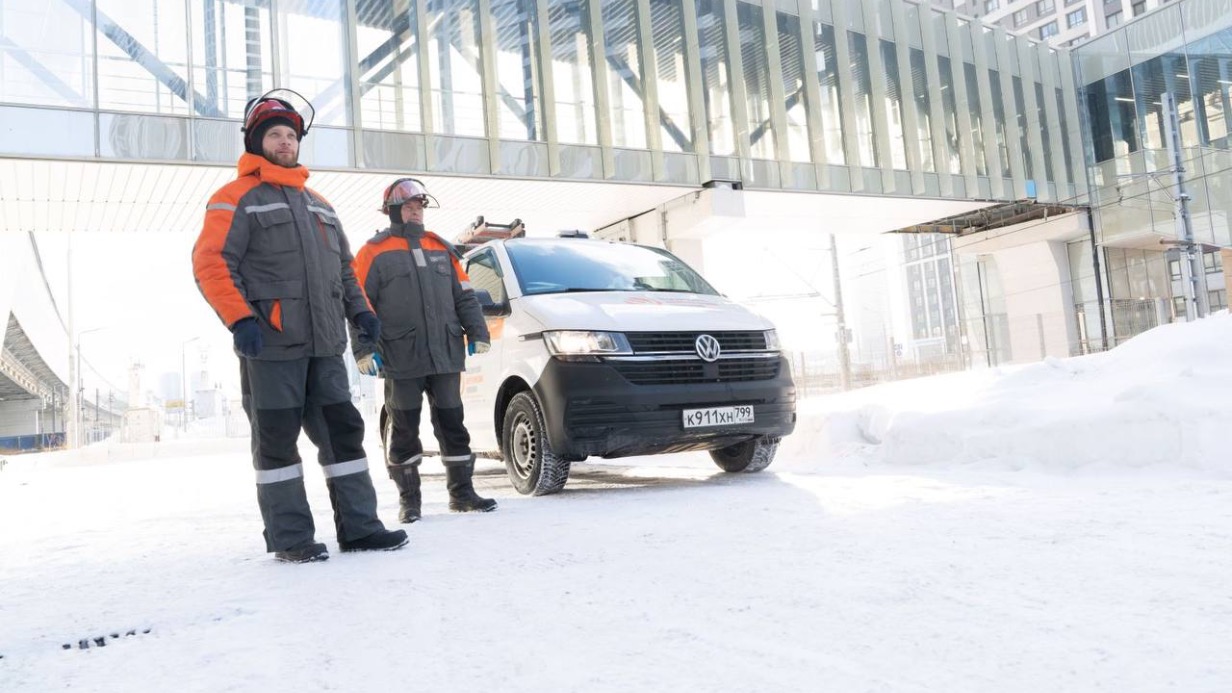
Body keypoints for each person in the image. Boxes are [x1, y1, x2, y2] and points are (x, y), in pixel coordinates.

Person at [192, 89, 406, 563]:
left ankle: (361, 527)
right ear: (256, 142)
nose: (285, 141)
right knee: (277, 446)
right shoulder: (234, 198)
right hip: (270, 348)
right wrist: (240, 318)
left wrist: (363, 312)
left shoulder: (320, 204)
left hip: (326, 346)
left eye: (291, 135)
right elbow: (211, 263)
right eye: (275, 134)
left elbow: (345, 270)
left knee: (344, 437)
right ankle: (291, 539)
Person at [352, 178, 496, 523]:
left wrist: (477, 331)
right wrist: (363, 349)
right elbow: (359, 303)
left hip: (445, 353)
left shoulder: (441, 248)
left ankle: (462, 494)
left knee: (453, 424)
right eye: (409, 206)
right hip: (401, 356)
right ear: (393, 211)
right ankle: (409, 502)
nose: (416, 212)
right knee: (403, 428)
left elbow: (464, 295)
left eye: (419, 206)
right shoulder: (372, 252)